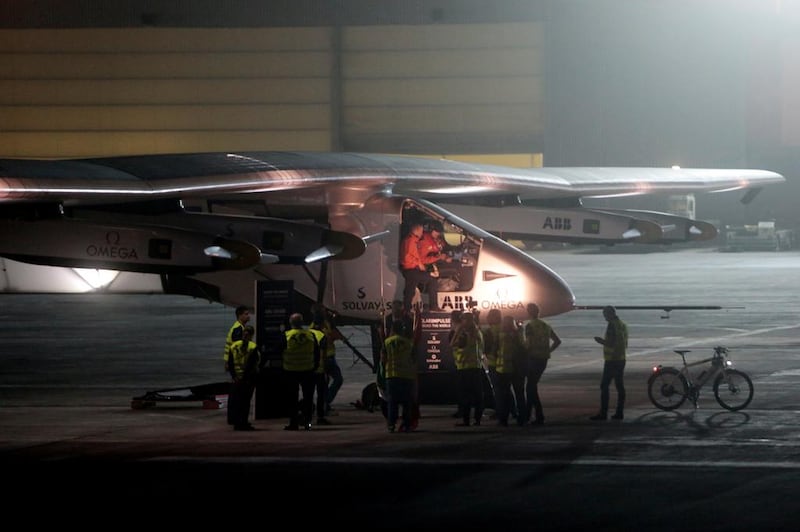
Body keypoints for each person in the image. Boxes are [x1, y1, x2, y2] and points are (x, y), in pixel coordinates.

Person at [278, 312, 320, 430]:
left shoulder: (286, 336)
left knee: (292, 398)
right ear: (302, 323)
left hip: (290, 370)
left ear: (290, 323)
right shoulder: (310, 335)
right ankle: (307, 423)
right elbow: (317, 353)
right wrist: (315, 366)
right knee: (308, 398)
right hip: (308, 370)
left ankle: (293, 423)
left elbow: (278, 350)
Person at [522, 302, 561, 425]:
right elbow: (557, 341)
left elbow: (528, 344)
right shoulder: (546, 325)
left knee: (530, 388)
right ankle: (530, 415)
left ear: (529, 312)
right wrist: (548, 350)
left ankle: (536, 415)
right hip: (543, 359)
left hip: (533, 358)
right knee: (531, 387)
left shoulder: (530, 326)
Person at [590, 305, 628, 421]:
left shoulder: (612, 325)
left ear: (609, 314)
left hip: (612, 360)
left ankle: (603, 412)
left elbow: (610, 343)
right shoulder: (622, 324)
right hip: (621, 358)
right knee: (619, 386)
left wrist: (600, 341)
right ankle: (619, 411)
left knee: (604, 385)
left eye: (605, 315)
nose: (604, 317)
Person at [381, 320, 417, 433]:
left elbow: (383, 359)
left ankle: (391, 424)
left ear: (392, 329)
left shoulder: (387, 342)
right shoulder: (409, 343)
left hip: (391, 375)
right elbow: (414, 359)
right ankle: (406, 424)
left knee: (392, 402)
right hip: (406, 375)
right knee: (407, 402)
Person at [451, 311, 485, 426]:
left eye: (463, 320)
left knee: (465, 395)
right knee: (477, 395)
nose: (462, 322)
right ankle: (477, 419)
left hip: (464, 367)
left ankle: (466, 420)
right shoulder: (478, 332)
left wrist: (458, 331)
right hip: (476, 366)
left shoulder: (464, 334)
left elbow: (453, 345)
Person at [310, 303, 344, 416]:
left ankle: (325, 405)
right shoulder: (320, 326)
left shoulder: (322, 324)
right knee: (338, 379)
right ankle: (325, 402)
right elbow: (330, 337)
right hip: (326, 358)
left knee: (326, 383)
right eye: (324, 309)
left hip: (326, 357)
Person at [400, 222, 439, 312]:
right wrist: (419, 264)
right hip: (411, 270)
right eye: (421, 231)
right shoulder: (410, 241)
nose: (422, 233)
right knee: (432, 280)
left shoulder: (410, 240)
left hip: (410, 270)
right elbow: (407, 257)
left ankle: (406, 310)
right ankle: (433, 306)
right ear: (417, 231)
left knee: (409, 291)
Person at [227, 325, 259, 431]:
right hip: (247, 379)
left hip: (236, 379)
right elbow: (251, 365)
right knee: (245, 402)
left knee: (237, 401)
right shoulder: (253, 347)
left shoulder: (234, 346)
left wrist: (235, 376)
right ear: (252, 335)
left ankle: (237, 422)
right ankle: (243, 422)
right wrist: (246, 378)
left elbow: (230, 363)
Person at [223, 305, 250, 426]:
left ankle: (233, 417)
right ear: (240, 315)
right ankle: (235, 417)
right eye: (246, 314)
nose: (248, 316)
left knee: (235, 393)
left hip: (232, 364)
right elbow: (236, 349)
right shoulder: (238, 329)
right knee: (237, 393)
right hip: (236, 366)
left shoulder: (238, 327)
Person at [495, 315, 524, 426]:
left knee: (504, 396)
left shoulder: (500, 335)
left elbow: (495, 350)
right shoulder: (518, 335)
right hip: (517, 368)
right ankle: (522, 418)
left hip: (503, 369)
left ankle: (504, 419)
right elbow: (524, 348)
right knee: (519, 394)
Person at [308, 314, 331, 426]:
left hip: (308, 368)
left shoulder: (307, 334)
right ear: (322, 324)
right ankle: (320, 416)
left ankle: (307, 417)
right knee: (320, 394)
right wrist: (326, 369)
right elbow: (324, 354)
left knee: (308, 394)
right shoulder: (322, 336)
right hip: (320, 369)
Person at [481, 308, 502, 419]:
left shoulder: (488, 332)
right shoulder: (505, 329)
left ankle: (499, 411)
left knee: (497, 390)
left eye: (489, 316)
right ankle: (512, 410)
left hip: (494, 363)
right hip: (506, 363)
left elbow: (484, 348)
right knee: (506, 389)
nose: (487, 318)